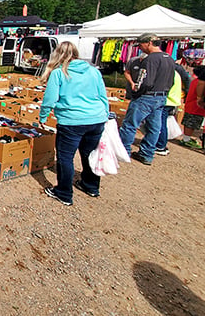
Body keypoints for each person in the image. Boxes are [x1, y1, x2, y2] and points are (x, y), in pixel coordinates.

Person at [39, 41, 109, 206]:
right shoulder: (93, 71)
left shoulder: (58, 73)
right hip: (96, 118)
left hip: (72, 121)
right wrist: (105, 114)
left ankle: (63, 192)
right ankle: (91, 186)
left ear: (57, 55)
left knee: (65, 157)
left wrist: (43, 117)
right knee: (89, 154)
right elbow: (102, 95)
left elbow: (49, 99)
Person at [119, 33, 175, 165]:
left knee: (130, 125)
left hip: (146, 96)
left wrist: (137, 92)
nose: (140, 48)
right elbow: (171, 81)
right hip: (161, 96)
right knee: (154, 127)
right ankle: (147, 154)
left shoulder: (150, 59)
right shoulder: (169, 58)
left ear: (148, 43)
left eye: (141, 45)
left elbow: (146, 81)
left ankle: (123, 152)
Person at [154, 64, 190, 155]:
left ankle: (160, 146)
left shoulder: (169, 73)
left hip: (167, 101)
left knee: (161, 123)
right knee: (162, 123)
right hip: (172, 100)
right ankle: (161, 144)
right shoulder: (175, 72)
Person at [179, 65, 205, 148]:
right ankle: (186, 139)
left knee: (190, 122)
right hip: (196, 107)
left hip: (191, 105)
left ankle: (186, 138)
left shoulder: (195, 81)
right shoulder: (200, 83)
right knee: (191, 123)